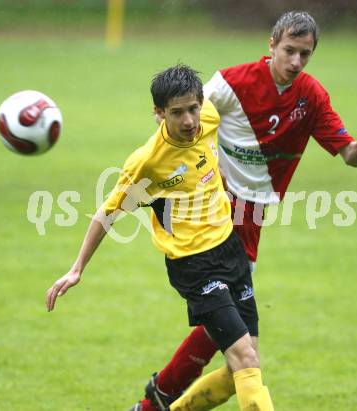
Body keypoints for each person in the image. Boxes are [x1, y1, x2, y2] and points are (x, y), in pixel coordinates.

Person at [131, 11, 357, 411]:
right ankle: (156, 401)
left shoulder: (311, 96)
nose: (296, 62)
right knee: (231, 335)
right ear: (271, 45)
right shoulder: (231, 83)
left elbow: (349, 156)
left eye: (305, 54)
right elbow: (181, 123)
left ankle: (159, 402)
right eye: (289, 51)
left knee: (234, 346)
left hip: (254, 218)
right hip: (219, 208)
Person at [46, 64, 275, 411]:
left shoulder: (208, 119)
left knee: (239, 370)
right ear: (159, 114)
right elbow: (107, 213)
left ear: (201, 103)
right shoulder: (147, 163)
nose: (188, 121)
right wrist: (76, 268)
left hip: (231, 250)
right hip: (194, 267)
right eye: (176, 113)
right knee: (244, 358)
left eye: (193, 109)